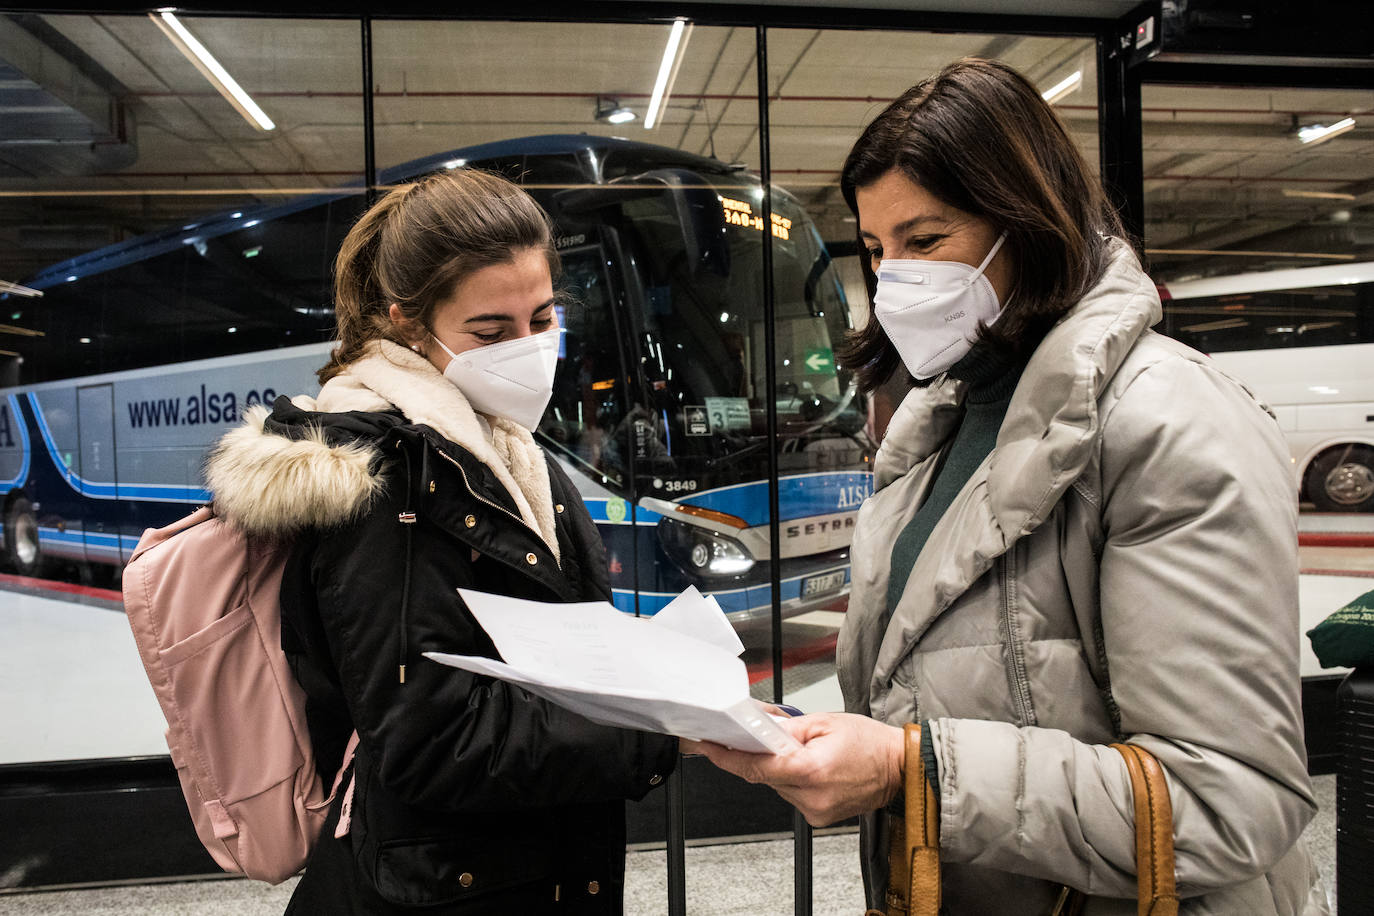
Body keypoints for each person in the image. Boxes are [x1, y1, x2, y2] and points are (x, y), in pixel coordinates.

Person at [690, 58, 1326, 915]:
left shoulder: (1167, 418)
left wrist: (909, 770)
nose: (892, 280)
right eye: (876, 249)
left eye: (926, 240)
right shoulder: (941, 425)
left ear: (1028, 222)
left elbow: (1228, 802)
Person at [204, 169, 677, 914]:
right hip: (449, 883)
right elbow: (431, 738)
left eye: (543, 317)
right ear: (405, 323)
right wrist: (658, 727)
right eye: (490, 331)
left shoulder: (502, 449)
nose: (526, 348)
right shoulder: (380, 481)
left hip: (522, 861)